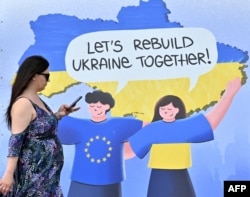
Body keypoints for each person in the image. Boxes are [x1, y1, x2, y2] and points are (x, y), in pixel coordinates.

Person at [129, 77, 242, 197]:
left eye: (170, 108)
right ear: (158, 110)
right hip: (159, 176)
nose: (166, 111)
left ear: (177, 110)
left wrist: (228, 95)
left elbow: (209, 123)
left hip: (180, 175)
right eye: (163, 109)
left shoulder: (184, 127)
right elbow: (131, 149)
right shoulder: (152, 129)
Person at [0, 55, 79, 197]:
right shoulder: (23, 104)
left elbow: (39, 127)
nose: (48, 80)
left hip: (47, 178)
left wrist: (58, 115)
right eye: (46, 76)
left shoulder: (36, 99)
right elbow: (15, 141)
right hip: (34, 179)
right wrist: (8, 174)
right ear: (34, 76)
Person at [57, 90, 144, 197]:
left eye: (98, 106)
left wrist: (132, 150)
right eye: (92, 106)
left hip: (109, 180)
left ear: (107, 106)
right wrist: (60, 114)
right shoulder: (79, 126)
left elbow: (146, 127)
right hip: (81, 180)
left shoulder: (117, 125)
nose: (95, 108)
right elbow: (50, 125)